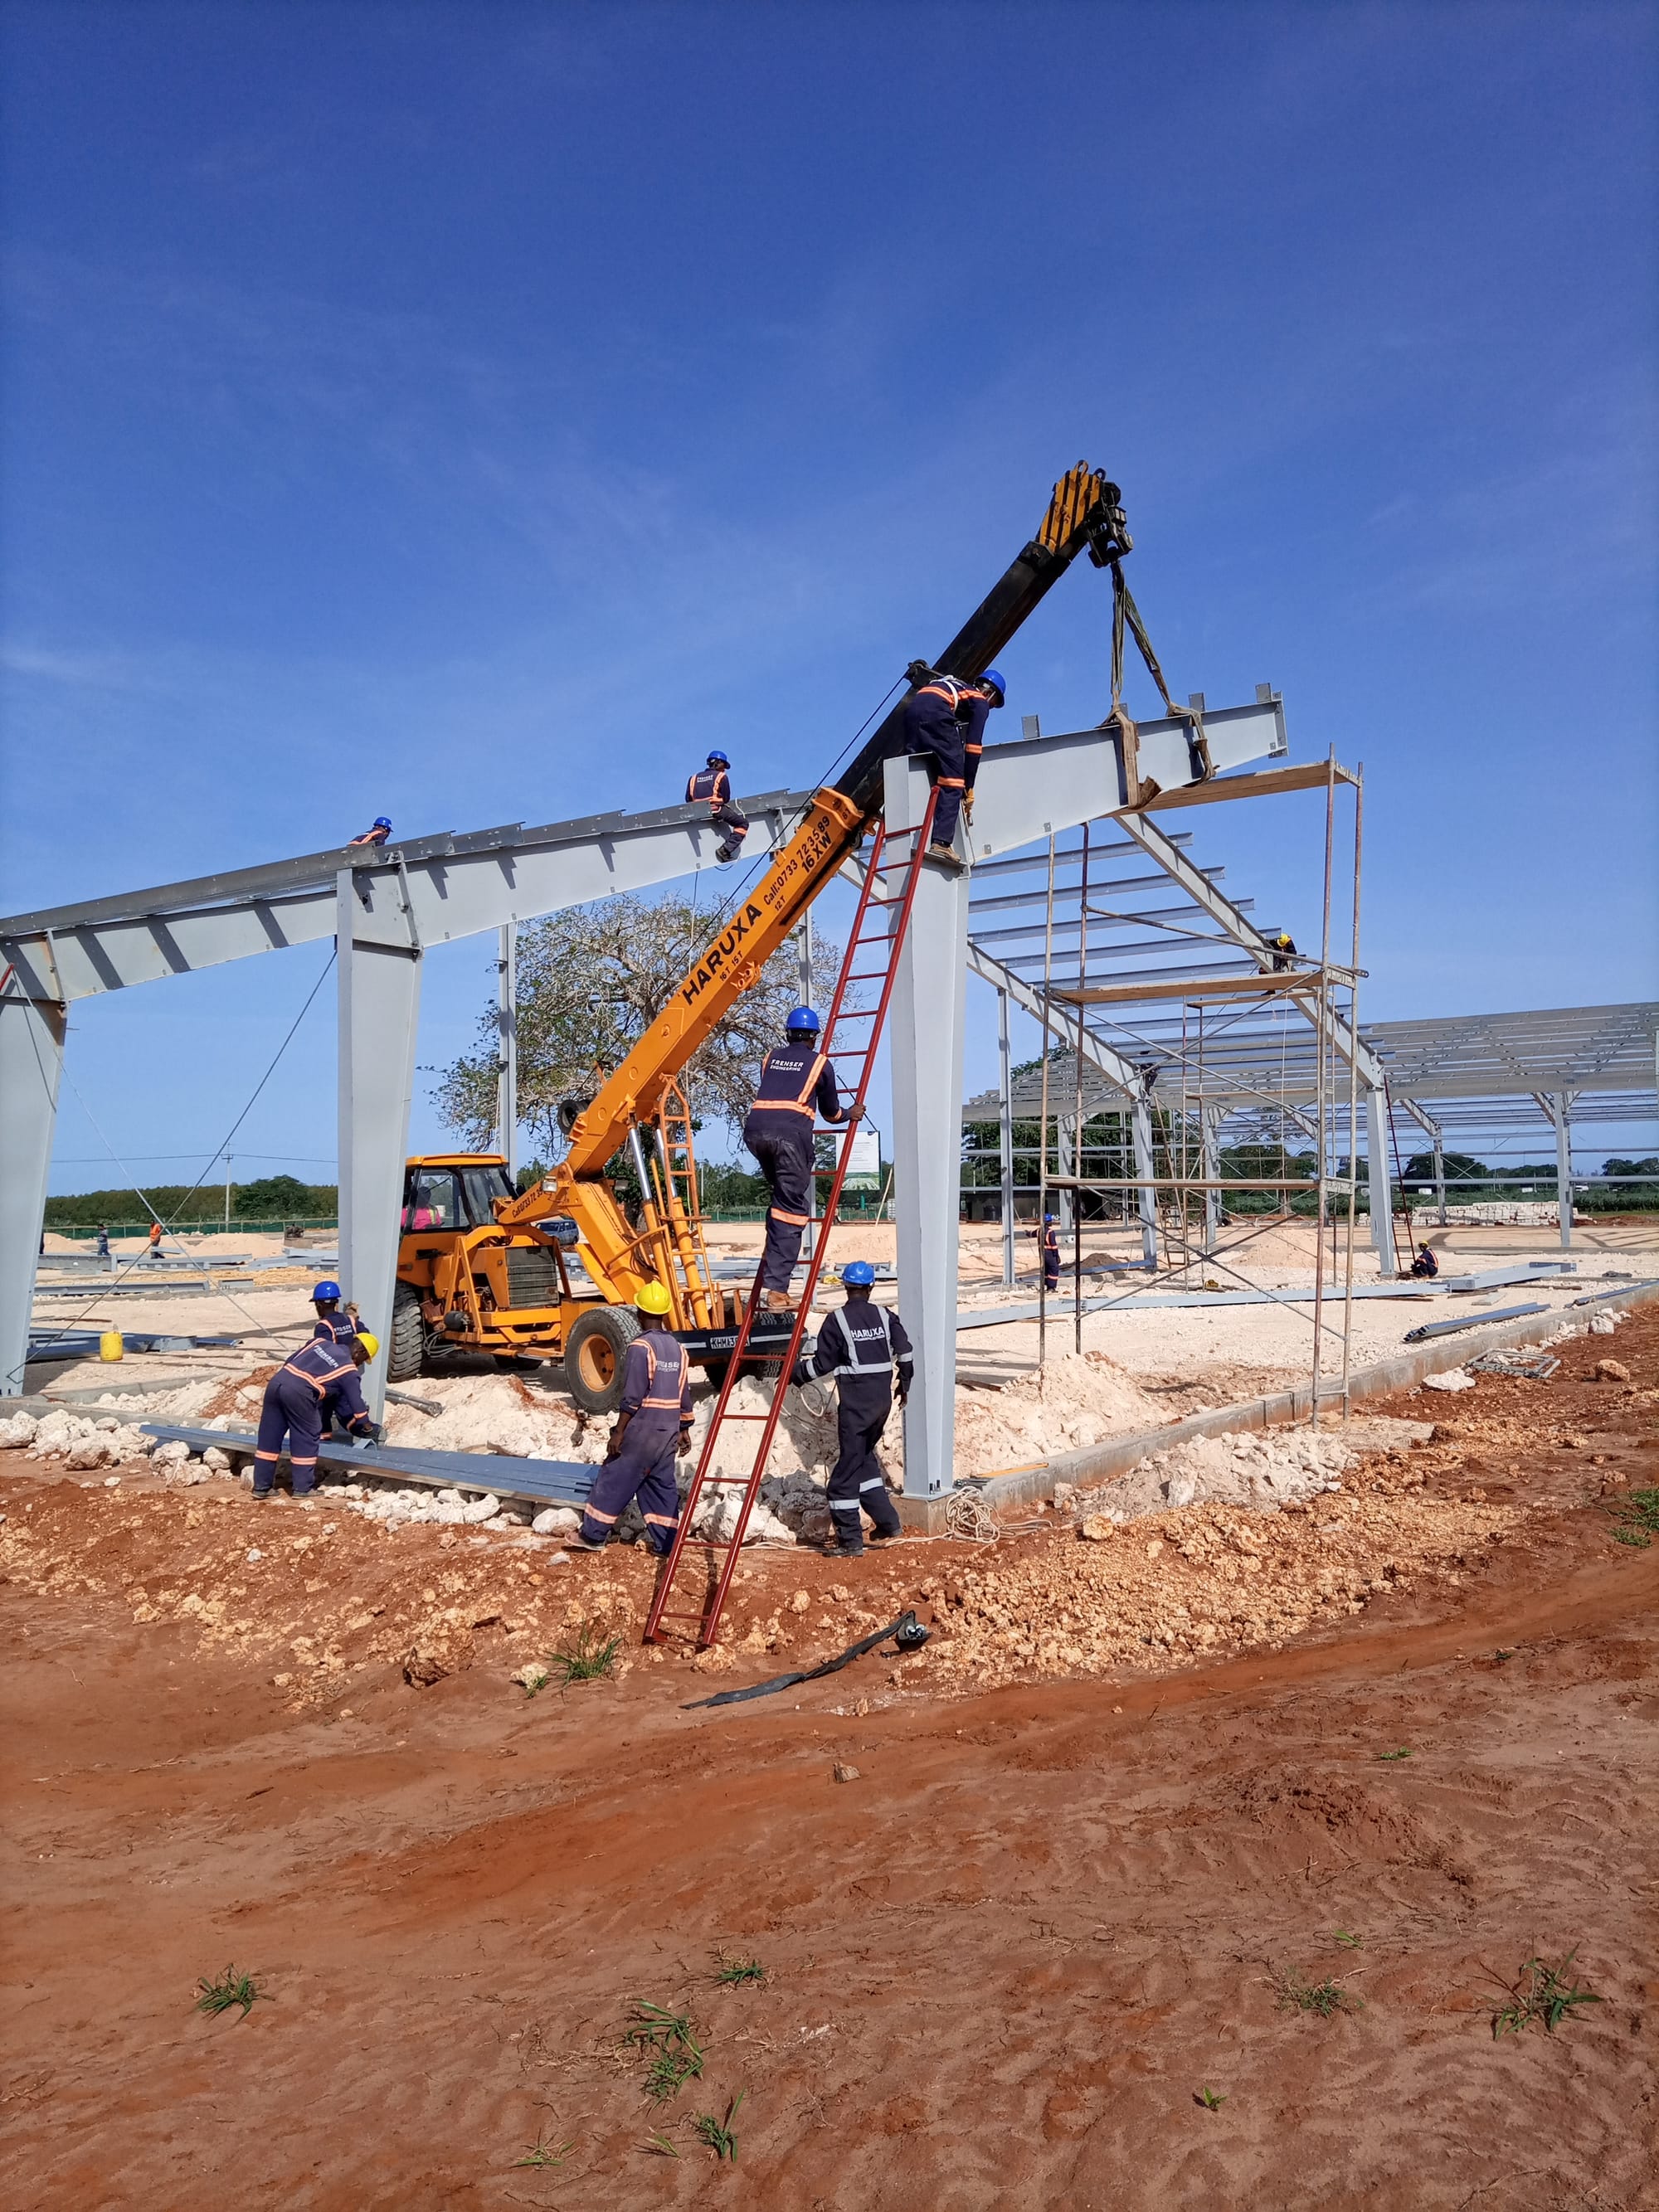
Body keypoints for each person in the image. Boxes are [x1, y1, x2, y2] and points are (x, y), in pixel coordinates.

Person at [742, 1006, 860, 1313]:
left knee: (781, 1201)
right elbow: (831, 1114)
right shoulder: (820, 1063)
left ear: (788, 1032)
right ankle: (777, 1291)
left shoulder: (770, 1058)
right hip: (790, 1138)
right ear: (814, 1037)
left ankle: (775, 1258)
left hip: (755, 1132)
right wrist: (852, 1114)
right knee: (792, 1211)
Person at [793, 1262, 911, 1557]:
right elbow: (906, 1351)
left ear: (845, 1287)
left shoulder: (837, 1321)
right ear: (871, 1288)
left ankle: (850, 1542)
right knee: (863, 1462)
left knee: (843, 1479)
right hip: (881, 1404)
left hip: (856, 1408)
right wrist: (904, 1383)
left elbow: (822, 1364)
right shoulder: (886, 1316)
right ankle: (888, 1522)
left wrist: (794, 1375)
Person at [577, 1284, 691, 1553]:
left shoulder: (640, 1347)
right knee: (660, 1485)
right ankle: (667, 1544)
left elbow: (633, 1396)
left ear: (640, 1312)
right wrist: (684, 1428)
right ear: (663, 1314)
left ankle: (593, 1535)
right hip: (668, 1432)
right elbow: (684, 1392)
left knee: (615, 1477)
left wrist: (619, 1432)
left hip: (643, 1429)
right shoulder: (678, 1349)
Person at [253, 1330, 382, 1499]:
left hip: (278, 1382)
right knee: (307, 1434)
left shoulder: (320, 1343)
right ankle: (303, 1488)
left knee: (270, 1435)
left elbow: (291, 1360)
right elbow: (357, 1404)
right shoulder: (348, 1370)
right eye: (364, 1360)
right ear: (360, 1351)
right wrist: (367, 1426)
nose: (360, 1364)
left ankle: (262, 1487)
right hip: (300, 1392)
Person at [902, 666, 1006, 865]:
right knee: (953, 782)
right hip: (937, 714)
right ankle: (941, 842)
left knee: (912, 771)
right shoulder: (980, 702)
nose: (990, 707)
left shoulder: (958, 687)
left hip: (913, 712)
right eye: (993, 703)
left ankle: (891, 814)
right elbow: (974, 747)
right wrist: (968, 786)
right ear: (989, 692)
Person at [687, 751, 749, 864]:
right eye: (724, 765)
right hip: (716, 810)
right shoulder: (721, 776)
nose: (724, 769)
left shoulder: (693, 778)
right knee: (742, 824)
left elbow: (688, 799)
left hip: (697, 812)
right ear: (717, 762)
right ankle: (725, 850)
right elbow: (725, 798)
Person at [309, 1278, 359, 1345]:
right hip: (351, 1355)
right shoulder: (351, 1320)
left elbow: (324, 1352)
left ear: (319, 1305)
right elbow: (366, 1338)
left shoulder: (323, 1326)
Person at [1039, 1213, 1060, 1291]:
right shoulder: (1050, 1232)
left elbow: (1031, 1234)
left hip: (1042, 1254)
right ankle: (1051, 1287)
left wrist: (1026, 1232)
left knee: (1046, 1270)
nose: (1052, 1222)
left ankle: (1046, 1286)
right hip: (1050, 1254)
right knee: (1053, 1269)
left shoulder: (1039, 1231)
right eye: (1050, 1221)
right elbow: (1054, 1245)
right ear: (1047, 1222)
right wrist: (1057, 1255)